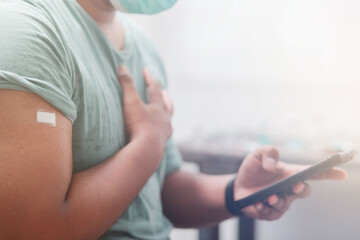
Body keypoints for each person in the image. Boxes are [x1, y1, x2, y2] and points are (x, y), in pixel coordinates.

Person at [0, 0, 347, 239]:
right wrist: (148, 145)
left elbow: (160, 188)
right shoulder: (26, 30)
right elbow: (35, 230)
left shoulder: (143, 46)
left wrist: (236, 191)